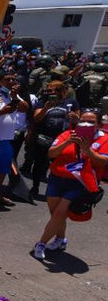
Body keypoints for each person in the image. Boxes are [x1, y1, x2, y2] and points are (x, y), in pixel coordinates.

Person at [33, 110, 108, 259]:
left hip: (80, 183)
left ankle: (41, 243)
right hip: (57, 179)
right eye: (83, 121)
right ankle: (61, 239)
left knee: (60, 213)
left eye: (91, 122)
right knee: (56, 215)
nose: (86, 124)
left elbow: (102, 162)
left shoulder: (105, 140)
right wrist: (68, 142)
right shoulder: (67, 134)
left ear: (98, 124)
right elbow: (51, 153)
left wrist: (87, 150)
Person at [0, 72, 30, 205]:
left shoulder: (11, 94)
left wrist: (15, 97)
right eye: (7, 79)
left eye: (13, 79)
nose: (11, 81)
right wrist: (2, 111)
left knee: (1, 169)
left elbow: (24, 108)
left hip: (5, 139)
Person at [28, 80, 79, 198]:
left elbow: (78, 119)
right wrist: (46, 108)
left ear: (61, 91)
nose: (51, 93)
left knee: (59, 164)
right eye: (49, 90)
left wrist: (74, 117)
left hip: (62, 139)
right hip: (43, 138)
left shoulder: (70, 102)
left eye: (54, 90)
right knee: (39, 164)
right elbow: (36, 119)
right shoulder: (42, 102)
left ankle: (55, 189)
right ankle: (35, 187)